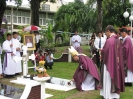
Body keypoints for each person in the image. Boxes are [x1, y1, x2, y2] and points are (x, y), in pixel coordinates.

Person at [100, 25, 125, 99]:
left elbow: (105, 51)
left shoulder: (109, 41)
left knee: (108, 78)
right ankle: (115, 95)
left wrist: (101, 53)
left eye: (105, 32)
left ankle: (108, 95)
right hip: (116, 63)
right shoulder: (118, 40)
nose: (105, 34)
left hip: (109, 63)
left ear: (108, 31)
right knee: (115, 77)